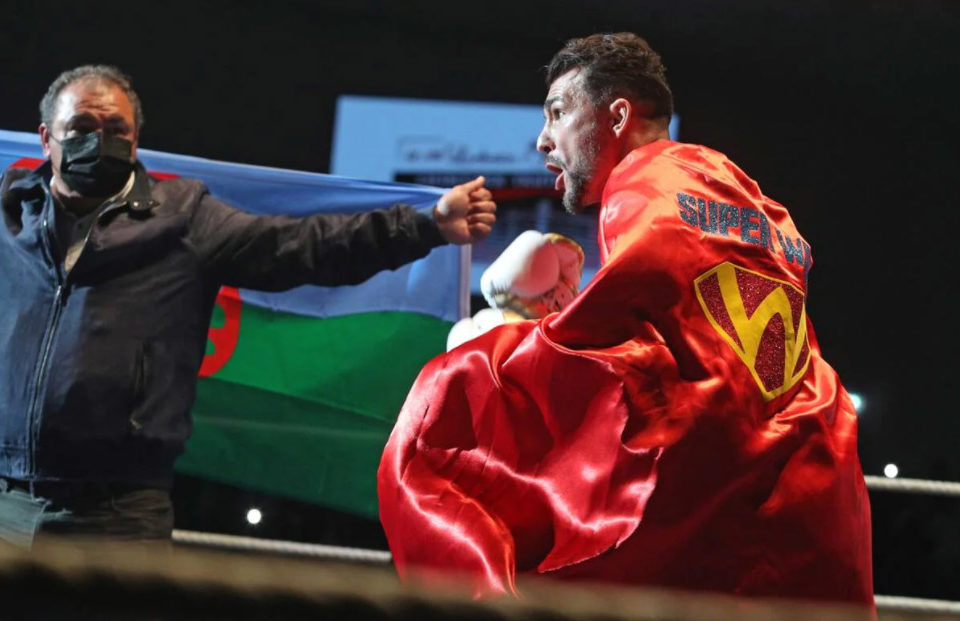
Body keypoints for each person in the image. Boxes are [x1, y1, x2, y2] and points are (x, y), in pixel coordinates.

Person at [378, 33, 873, 607]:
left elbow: (652, 344)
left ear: (617, 116)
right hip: (812, 481)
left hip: (723, 497)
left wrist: (503, 337)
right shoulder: (741, 191)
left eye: (559, 112)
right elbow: (705, 334)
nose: (543, 140)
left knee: (445, 412)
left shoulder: (644, 185)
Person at [0, 65, 496, 547]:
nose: (100, 141)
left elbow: (306, 246)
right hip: (5, 502)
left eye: (116, 130)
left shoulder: (184, 221)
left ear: (135, 141)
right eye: (82, 128)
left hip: (115, 515)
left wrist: (427, 224)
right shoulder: (9, 217)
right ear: (46, 138)